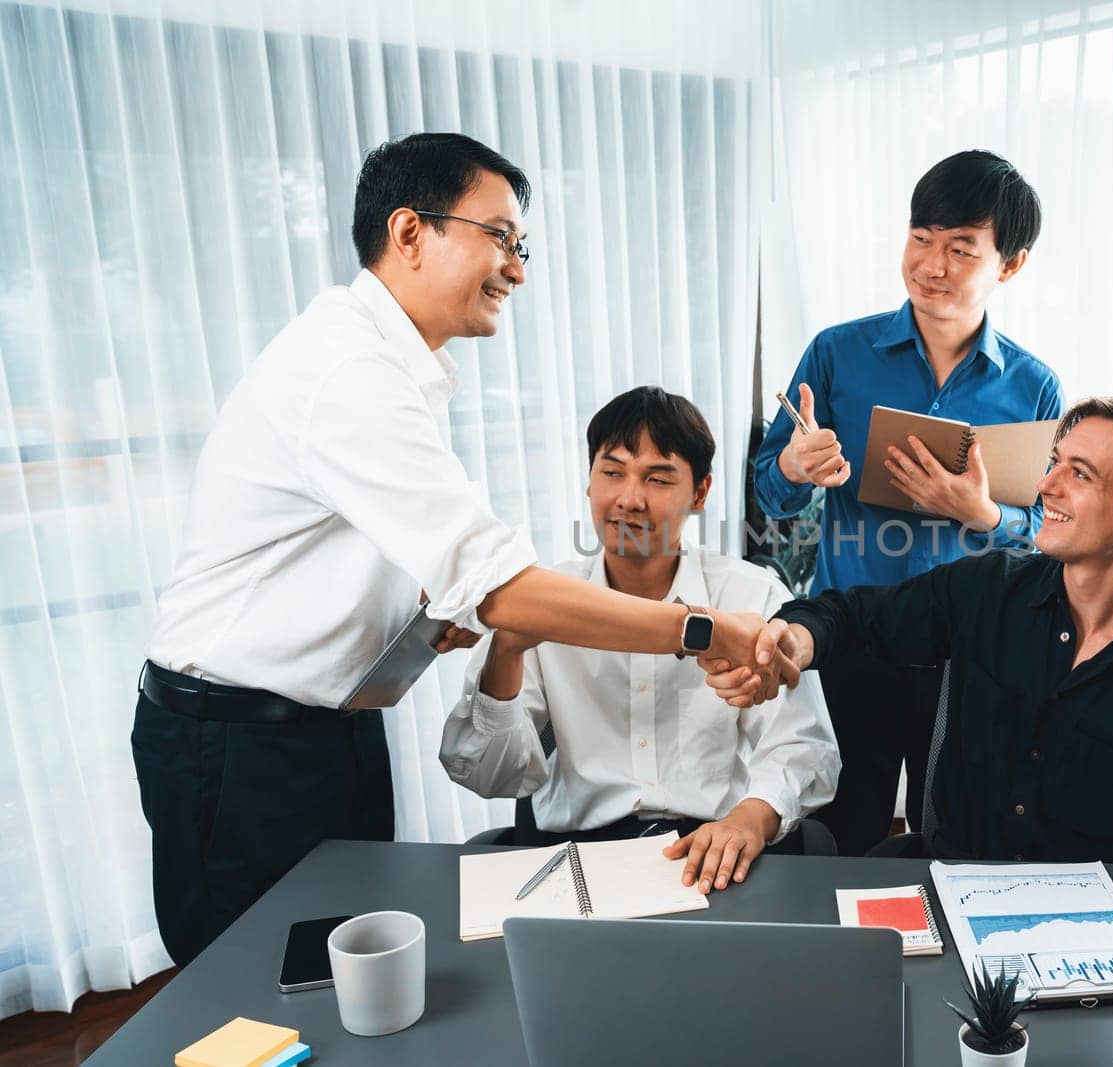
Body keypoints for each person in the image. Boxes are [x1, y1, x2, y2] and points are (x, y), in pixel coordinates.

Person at [133, 134, 789, 966]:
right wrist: (702, 632)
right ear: (411, 233)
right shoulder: (350, 373)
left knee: (331, 970)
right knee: (248, 980)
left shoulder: (399, 373)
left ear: (700, 490)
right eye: (502, 237)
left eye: (522, 246)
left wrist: (416, 611)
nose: (517, 267)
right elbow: (499, 592)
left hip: (323, 733)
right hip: (238, 746)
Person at [721, 397, 1113, 865]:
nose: (1045, 486)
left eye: (1080, 473)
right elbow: (853, 616)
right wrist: (794, 639)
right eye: (1054, 463)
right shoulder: (990, 587)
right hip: (950, 890)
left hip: (1094, 934)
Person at [751, 149, 1063, 854]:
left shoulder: (1036, 388)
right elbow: (769, 493)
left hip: (964, 648)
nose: (932, 264)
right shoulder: (836, 354)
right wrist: (796, 468)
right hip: (848, 631)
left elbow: (1050, 532)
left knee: (948, 830)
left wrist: (980, 512)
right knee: (835, 822)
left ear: (1008, 266)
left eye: (961, 248)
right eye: (921, 238)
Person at [440, 387, 840, 893]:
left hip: (714, 852)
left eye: (657, 477)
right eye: (612, 472)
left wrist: (750, 819)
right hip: (578, 860)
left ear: (700, 493)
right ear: (588, 483)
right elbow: (485, 775)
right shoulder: (540, 599)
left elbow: (804, 746)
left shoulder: (750, 594)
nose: (629, 498)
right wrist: (507, 649)